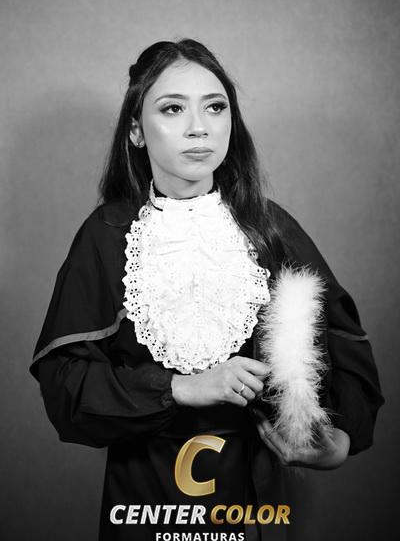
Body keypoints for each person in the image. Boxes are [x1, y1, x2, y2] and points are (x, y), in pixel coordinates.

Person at [29, 38, 384, 541]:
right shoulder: (106, 236)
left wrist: (340, 443)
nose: (199, 127)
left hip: (254, 502)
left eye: (215, 107)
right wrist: (178, 387)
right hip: (145, 502)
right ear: (136, 130)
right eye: (172, 109)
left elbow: (344, 345)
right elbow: (65, 385)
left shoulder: (270, 229)